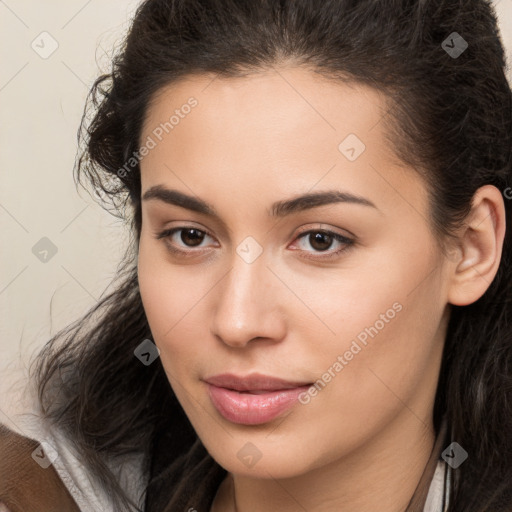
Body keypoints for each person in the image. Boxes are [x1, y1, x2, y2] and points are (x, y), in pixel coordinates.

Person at [1, 0, 511, 510]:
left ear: (470, 248)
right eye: (190, 236)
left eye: (320, 240)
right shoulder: (28, 490)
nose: (237, 321)